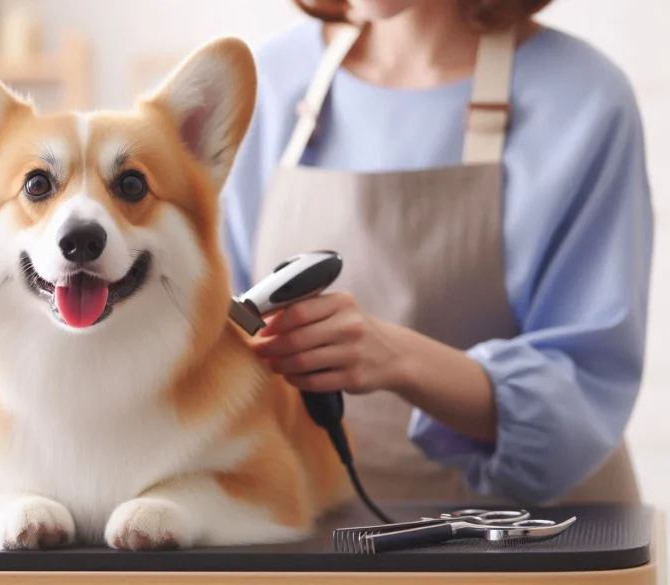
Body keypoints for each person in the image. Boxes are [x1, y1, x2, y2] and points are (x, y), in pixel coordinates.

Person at [220, 0, 654, 505]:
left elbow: (584, 408)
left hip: (531, 540)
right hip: (317, 528)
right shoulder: (267, 80)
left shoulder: (584, 99)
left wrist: (398, 358)